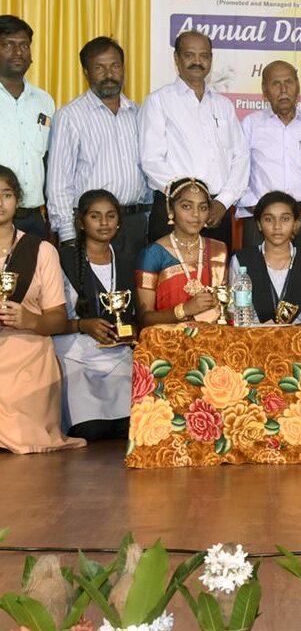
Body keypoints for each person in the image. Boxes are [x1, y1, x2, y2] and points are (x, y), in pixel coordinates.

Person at [0, 165, 85, 454]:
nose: (0, 203)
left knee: (25, 432)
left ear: (18, 199)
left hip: (28, 355)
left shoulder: (41, 250)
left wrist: (29, 320)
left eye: (6, 194)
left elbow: (58, 320)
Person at [138, 31, 249, 250]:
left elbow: (241, 156)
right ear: (176, 59)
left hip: (217, 212)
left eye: (204, 56)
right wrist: (189, 202)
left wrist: (223, 201)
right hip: (173, 211)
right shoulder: (158, 101)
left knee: (216, 272)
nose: (197, 62)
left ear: (211, 59)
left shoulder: (223, 105)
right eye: (189, 55)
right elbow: (151, 160)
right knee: (170, 272)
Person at [47, 37, 150, 265]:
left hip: (134, 224)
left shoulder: (138, 113)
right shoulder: (71, 116)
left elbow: (149, 171)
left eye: (115, 66)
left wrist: (148, 222)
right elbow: (58, 181)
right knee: (92, 289)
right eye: (99, 68)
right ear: (86, 72)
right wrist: (68, 235)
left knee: (131, 287)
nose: (109, 74)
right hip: (91, 227)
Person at [53, 189, 133, 440]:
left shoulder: (127, 258)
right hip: (75, 351)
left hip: (117, 352)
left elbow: (134, 315)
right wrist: (82, 325)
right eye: (95, 216)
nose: (104, 222)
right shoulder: (62, 259)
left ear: (119, 221)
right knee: (90, 430)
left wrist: (129, 333)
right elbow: (51, 320)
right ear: (81, 222)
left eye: (110, 216)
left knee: (130, 425)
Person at [238, 61, 301, 260]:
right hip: (260, 217)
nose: (283, 89)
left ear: (298, 87)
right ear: (264, 90)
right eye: (275, 83)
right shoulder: (250, 125)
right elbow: (237, 176)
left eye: (289, 82)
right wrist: (265, 216)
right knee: (255, 277)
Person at [136, 177, 226, 325]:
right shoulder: (152, 254)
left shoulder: (218, 250)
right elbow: (144, 319)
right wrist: (184, 310)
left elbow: (225, 307)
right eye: (186, 206)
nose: (196, 214)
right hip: (166, 337)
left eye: (203, 208)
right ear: (171, 210)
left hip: (212, 335)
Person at [230, 191, 301, 324]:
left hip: (296, 335)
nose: (277, 226)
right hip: (253, 334)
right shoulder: (242, 260)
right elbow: (233, 313)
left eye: (285, 219)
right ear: (259, 224)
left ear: (295, 223)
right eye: (269, 219)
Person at [0, 16, 53, 239]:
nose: (17, 52)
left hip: (33, 219)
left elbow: (47, 158)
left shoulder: (44, 101)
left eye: (24, 46)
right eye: (8, 45)